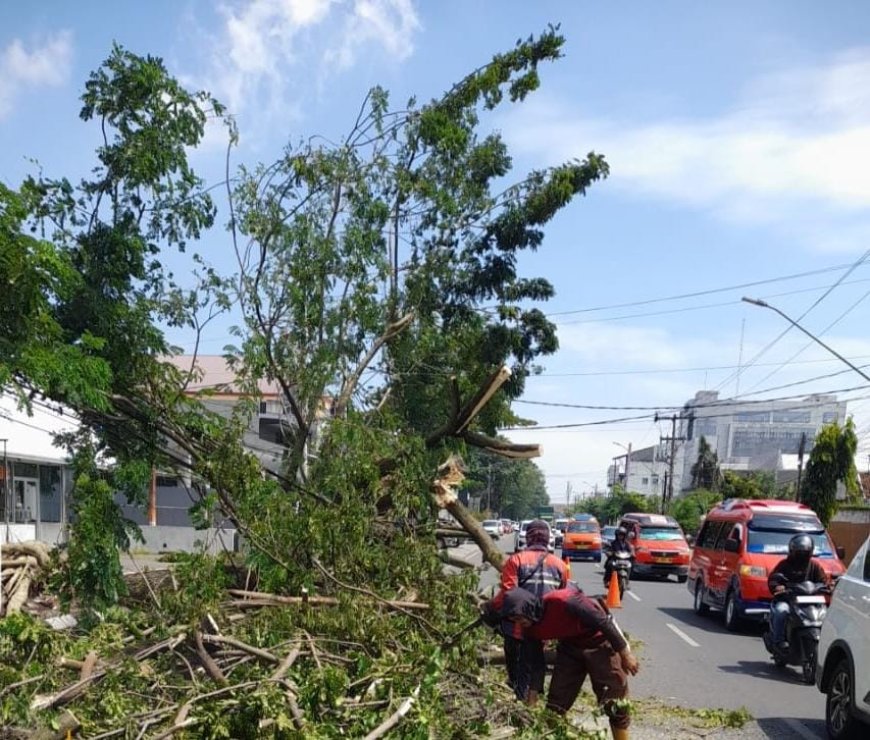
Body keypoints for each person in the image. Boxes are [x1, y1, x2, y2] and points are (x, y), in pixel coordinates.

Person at [486, 584, 639, 740]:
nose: (518, 623)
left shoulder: (563, 600)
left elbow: (603, 622)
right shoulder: (530, 630)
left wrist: (625, 653)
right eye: (514, 620)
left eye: (518, 618)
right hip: (570, 647)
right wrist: (532, 698)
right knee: (556, 703)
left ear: (527, 608)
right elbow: (537, 665)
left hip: (599, 642)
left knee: (614, 700)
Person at [489, 519, 568, 705]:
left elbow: (509, 594)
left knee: (517, 662)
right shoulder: (560, 565)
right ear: (548, 539)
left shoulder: (516, 560)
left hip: (518, 626)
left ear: (529, 538)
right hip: (544, 626)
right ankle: (531, 701)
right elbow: (561, 597)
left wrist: (489, 607)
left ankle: (519, 696)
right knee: (536, 662)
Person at [767, 533, 829, 650]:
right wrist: (777, 587)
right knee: (781, 611)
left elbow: (823, 581)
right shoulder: (784, 565)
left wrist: (826, 587)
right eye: (799, 552)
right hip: (788, 600)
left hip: (809, 603)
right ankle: (778, 641)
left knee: (826, 615)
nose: (802, 555)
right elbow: (774, 578)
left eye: (805, 552)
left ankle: (823, 644)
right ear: (792, 551)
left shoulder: (814, 566)